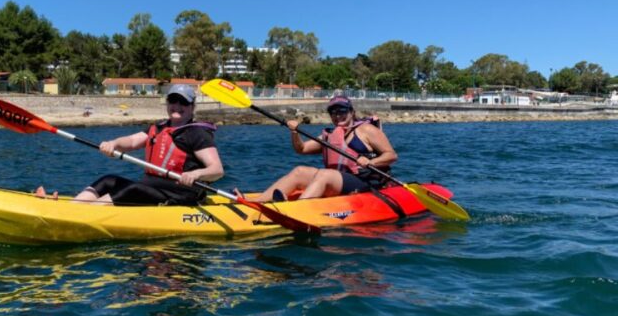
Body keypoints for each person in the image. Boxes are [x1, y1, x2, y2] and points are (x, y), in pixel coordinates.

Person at [35, 84, 224, 206]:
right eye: (173, 100)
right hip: (152, 190)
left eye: (183, 102)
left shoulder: (197, 133)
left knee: (132, 189)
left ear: (192, 107)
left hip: (178, 196)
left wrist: (195, 174)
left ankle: (84, 215)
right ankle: (70, 208)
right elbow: (132, 141)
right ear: (167, 103)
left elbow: (217, 170)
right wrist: (113, 143)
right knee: (108, 180)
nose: (177, 105)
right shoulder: (159, 127)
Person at [247, 94, 397, 202]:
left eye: (342, 111)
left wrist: (371, 162)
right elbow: (302, 149)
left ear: (352, 112)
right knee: (299, 171)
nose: (338, 116)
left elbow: (391, 155)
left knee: (325, 174)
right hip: (340, 181)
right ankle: (257, 203)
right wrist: (294, 132)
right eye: (334, 112)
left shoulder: (367, 130)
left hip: (366, 183)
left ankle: (298, 209)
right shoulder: (330, 136)